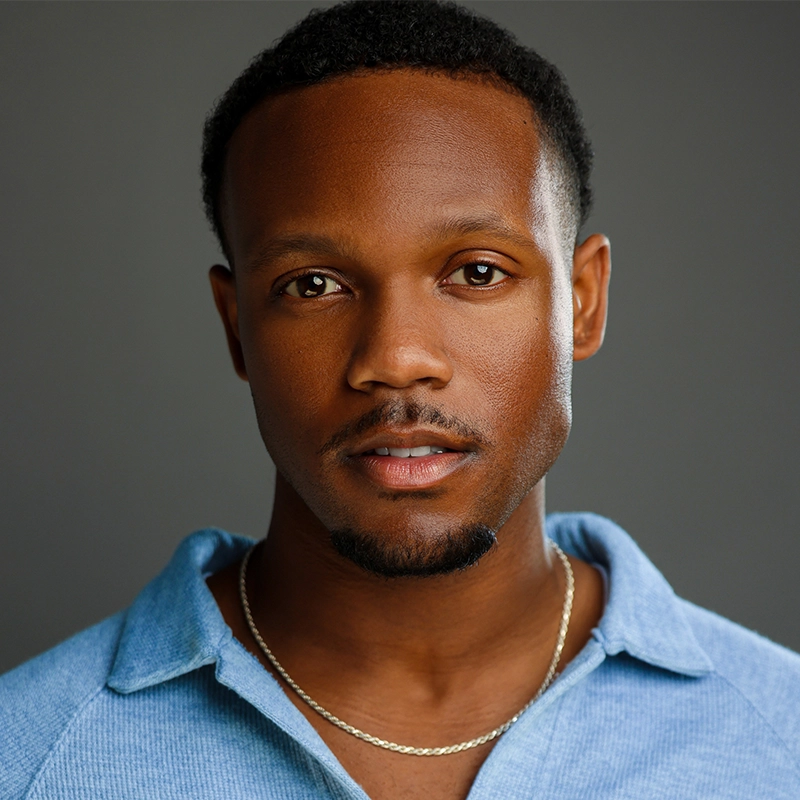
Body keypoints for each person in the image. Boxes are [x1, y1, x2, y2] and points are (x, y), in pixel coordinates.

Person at [1, 1, 798, 798]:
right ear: (236, 325)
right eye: (314, 285)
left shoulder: (779, 739)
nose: (395, 359)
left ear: (583, 301)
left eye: (478, 272)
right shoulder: (26, 754)